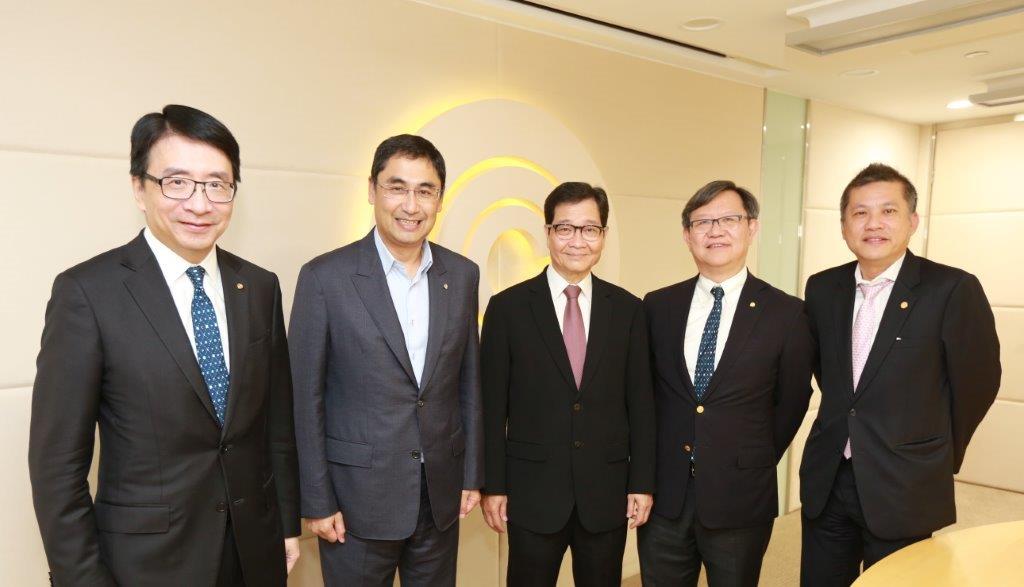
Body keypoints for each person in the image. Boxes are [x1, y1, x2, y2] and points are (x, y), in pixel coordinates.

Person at [28, 104, 301, 586]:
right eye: (177, 182)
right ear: (139, 187)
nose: (200, 204)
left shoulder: (259, 287)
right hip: (146, 565)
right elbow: (57, 467)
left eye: (218, 184)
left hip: (254, 554)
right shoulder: (88, 293)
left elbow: (275, 425)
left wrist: (285, 527)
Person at [289, 134, 483, 586]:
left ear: (440, 199)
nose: (410, 205)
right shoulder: (325, 277)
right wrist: (316, 500)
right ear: (372, 190)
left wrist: (471, 474)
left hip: (439, 495)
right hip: (357, 501)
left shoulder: (462, 274)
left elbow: (468, 382)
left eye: (425, 191)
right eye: (397, 187)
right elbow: (305, 397)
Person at [799, 163, 1001, 586]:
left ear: (912, 221)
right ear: (843, 225)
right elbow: (829, 374)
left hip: (904, 482)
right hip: (829, 476)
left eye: (888, 211)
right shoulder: (822, 288)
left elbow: (977, 383)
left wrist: (936, 452)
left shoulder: (950, 288)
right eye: (860, 213)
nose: (873, 224)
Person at [480, 181, 656, 587]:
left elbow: (641, 404)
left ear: (603, 236)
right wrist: (494, 486)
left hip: (606, 492)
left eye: (589, 229)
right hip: (531, 493)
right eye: (565, 228)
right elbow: (491, 406)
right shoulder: (508, 308)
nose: (578, 240)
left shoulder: (629, 310)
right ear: (547, 233)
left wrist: (642, 483)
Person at [639, 180, 813, 586]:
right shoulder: (657, 306)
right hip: (666, 496)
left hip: (740, 495)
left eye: (729, 219)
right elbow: (645, 396)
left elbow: (792, 400)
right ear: (687, 235)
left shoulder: (786, 313)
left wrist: (750, 455)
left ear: (751, 227)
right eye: (702, 222)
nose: (715, 231)